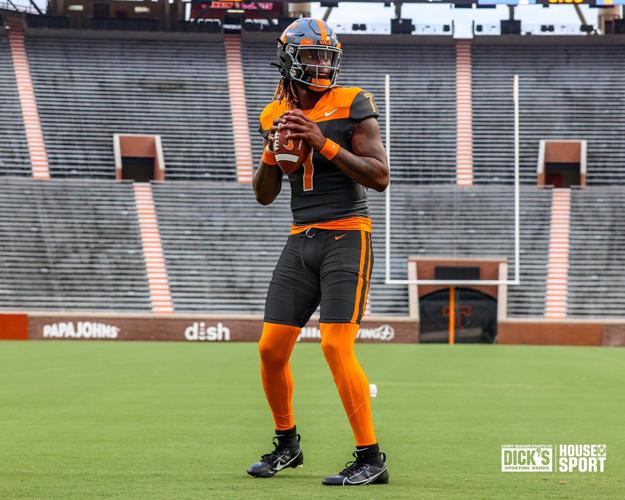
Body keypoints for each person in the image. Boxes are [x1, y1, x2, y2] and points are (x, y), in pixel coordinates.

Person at [247, 17, 390, 486]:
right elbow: (264, 194)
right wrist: (273, 150)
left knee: (334, 343)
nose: (321, 64)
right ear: (291, 59)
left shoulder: (353, 102)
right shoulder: (273, 113)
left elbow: (378, 176)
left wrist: (322, 142)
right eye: (311, 56)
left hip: (347, 233)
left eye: (326, 55)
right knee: (270, 348)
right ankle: (287, 444)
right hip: (300, 237)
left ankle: (371, 457)